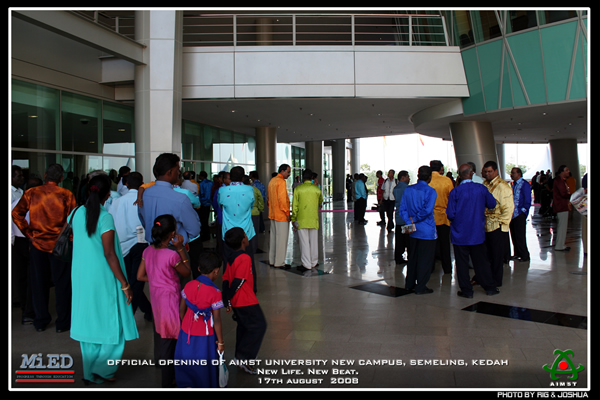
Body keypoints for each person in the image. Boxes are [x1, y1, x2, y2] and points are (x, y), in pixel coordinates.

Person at [69, 173, 138, 384]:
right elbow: (109, 254)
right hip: (103, 276)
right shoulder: (105, 217)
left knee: (89, 321)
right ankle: (103, 369)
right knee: (112, 322)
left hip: (81, 275)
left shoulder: (76, 213)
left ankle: (89, 372)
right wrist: (125, 284)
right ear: (108, 194)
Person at [12, 163, 77, 332]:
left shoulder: (32, 193)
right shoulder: (66, 194)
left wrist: (29, 234)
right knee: (62, 284)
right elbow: (72, 221)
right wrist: (70, 240)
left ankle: (40, 321)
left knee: (38, 283)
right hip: (60, 246)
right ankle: (62, 323)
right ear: (61, 178)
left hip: (37, 244)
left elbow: (16, 214)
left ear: (45, 175)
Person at [137, 214, 191, 388]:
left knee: (164, 338)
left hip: (157, 303)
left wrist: (155, 279)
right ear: (173, 233)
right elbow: (187, 272)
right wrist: (180, 248)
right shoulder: (171, 255)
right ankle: (168, 382)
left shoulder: (147, 251)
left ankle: (171, 377)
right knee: (170, 342)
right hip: (171, 302)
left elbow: (140, 276)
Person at [138, 153, 201, 276]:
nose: (179, 173)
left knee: (157, 285)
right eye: (178, 170)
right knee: (176, 286)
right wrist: (179, 239)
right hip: (174, 251)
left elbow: (143, 221)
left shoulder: (144, 195)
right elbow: (194, 230)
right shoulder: (180, 199)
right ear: (170, 172)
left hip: (152, 250)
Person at [446, 164, 499, 298]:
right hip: (477, 232)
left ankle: (467, 291)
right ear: (471, 174)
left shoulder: (455, 191)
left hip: (460, 233)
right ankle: (490, 287)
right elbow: (492, 204)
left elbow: (450, 213)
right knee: (481, 262)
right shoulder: (481, 188)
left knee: (462, 263)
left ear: (459, 175)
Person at [174, 251, 225, 388]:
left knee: (187, 359)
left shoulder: (189, 285)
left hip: (187, 331)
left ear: (198, 268)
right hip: (205, 335)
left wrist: (185, 326)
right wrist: (221, 342)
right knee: (203, 363)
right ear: (216, 271)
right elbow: (217, 319)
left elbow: (181, 309)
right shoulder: (215, 293)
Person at [221, 227, 266, 375]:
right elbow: (238, 281)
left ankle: (239, 356)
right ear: (242, 241)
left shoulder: (231, 258)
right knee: (259, 326)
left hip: (236, 301)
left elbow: (226, 279)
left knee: (244, 327)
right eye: (245, 235)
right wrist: (228, 298)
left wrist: (227, 300)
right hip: (246, 300)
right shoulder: (244, 258)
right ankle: (246, 358)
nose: (247, 237)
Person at [108, 171, 152, 321]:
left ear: (126, 184)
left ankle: (143, 311)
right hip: (140, 243)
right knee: (136, 281)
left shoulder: (117, 201)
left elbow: (111, 221)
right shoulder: (144, 200)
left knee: (132, 280)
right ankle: (132, 313)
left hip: (122, 245)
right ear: (142, 183)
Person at [398, 166, 437, 295]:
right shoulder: (431, 191)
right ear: (430, 177)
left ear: (418, 176)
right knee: (425, 260)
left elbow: (402, 209)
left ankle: (409, 284)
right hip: (427, 231)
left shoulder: (408, 189)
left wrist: (409, 221)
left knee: (412, 257)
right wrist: (414, 219)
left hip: (412, 230)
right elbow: (427, 210)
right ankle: (421, 286)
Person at [218, 166, 258, 291]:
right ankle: (251, 288)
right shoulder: (249, 190)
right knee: (248, 261)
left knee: (228, 262)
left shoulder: (222, 191)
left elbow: (220, 205)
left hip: (228, 232)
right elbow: (251, 205)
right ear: (243, 177)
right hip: (246, 233)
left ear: (230, 177)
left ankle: (228, 287)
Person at [482, 161, 515, 288]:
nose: (487, 174)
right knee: (487, 255)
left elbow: (508, 208)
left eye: (490, 171)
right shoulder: (485, 184)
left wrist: (502, 224)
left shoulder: (503, 186)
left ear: (496, 171)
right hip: (485, 225)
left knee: (497, 256)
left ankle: (496, 281)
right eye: (486, 171)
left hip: (497, 226)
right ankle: (487, 278)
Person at [291, 168, 324, 271]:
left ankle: (306, 264)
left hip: (302, 219)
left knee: (304, 242)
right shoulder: (316, 189)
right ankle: (314, 262)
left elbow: (295, 206)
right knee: (314, 241)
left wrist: (293, 218)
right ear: (312, 178)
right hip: (313, 219)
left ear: (303, 177)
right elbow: (321, 200)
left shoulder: (298, 189)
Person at [429, 160, 454, 274]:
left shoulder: (428, 180)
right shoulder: (447, 181)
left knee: (431, 244)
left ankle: (431, 268)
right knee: (445, 244)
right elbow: (452, 198)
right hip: (444, 217)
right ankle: (447, 268)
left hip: (430, 217)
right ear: (440, 169)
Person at [268, 164, 292, 269]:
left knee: (273, 239)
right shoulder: (281, 182)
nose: (289, 174)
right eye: (288, 172)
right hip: (281, 215)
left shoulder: (272, 181)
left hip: (273, 214)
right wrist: (287, 213)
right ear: (282, 171)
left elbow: (269, 198)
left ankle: (272, 260)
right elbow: (282, 200)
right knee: (281, 240)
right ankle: (279, 262)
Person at [509, 167, 532, 262]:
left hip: (519, 213)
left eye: (513, 173)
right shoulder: (513, 184)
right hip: (512, 214)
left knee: (520, 236)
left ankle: (524, 255)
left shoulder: (524, 184)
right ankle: (517, 253)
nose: (511, 175)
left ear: (519, 174)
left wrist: (523, 211)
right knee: (514, 235)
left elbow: (527, 199)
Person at [552, 165, 573, 251]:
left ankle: (561, 244)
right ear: (562, 171)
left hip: (561, 205)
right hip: (561, 205)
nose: (568, 171)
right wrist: (572, 196)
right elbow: (563, 193)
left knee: (562, 226)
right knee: (562, 226)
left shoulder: (561, 180)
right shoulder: (559, 181)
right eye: (566, 170)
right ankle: (560, 245)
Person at [393, 171, 410, 264]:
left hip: (398, 218)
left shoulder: (395, 188)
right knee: (408, 239)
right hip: (407, 219)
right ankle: (410, 257)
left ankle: (398, 257)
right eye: (408, 177)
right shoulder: (407, 188)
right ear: (403, 178)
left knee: (399, 239)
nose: (409, 179)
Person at [244, 175, 264, 246]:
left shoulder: (241, 190)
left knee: (244, 232)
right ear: (249, 181)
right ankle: (254, 247)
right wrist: (260, 209)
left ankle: (245, 247)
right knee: (254, 232)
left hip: (243, 213)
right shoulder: (255, 189)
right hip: (255, 213)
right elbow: (261, 200)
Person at [198, 171, 213, 242]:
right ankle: (207, 235)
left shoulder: (201, 184)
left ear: (201, 176)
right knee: (206, 219)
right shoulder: (211, 183)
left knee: (203, 220)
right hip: (209, 203)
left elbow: (201, 194)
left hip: (203, 203)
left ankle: (205, 235)